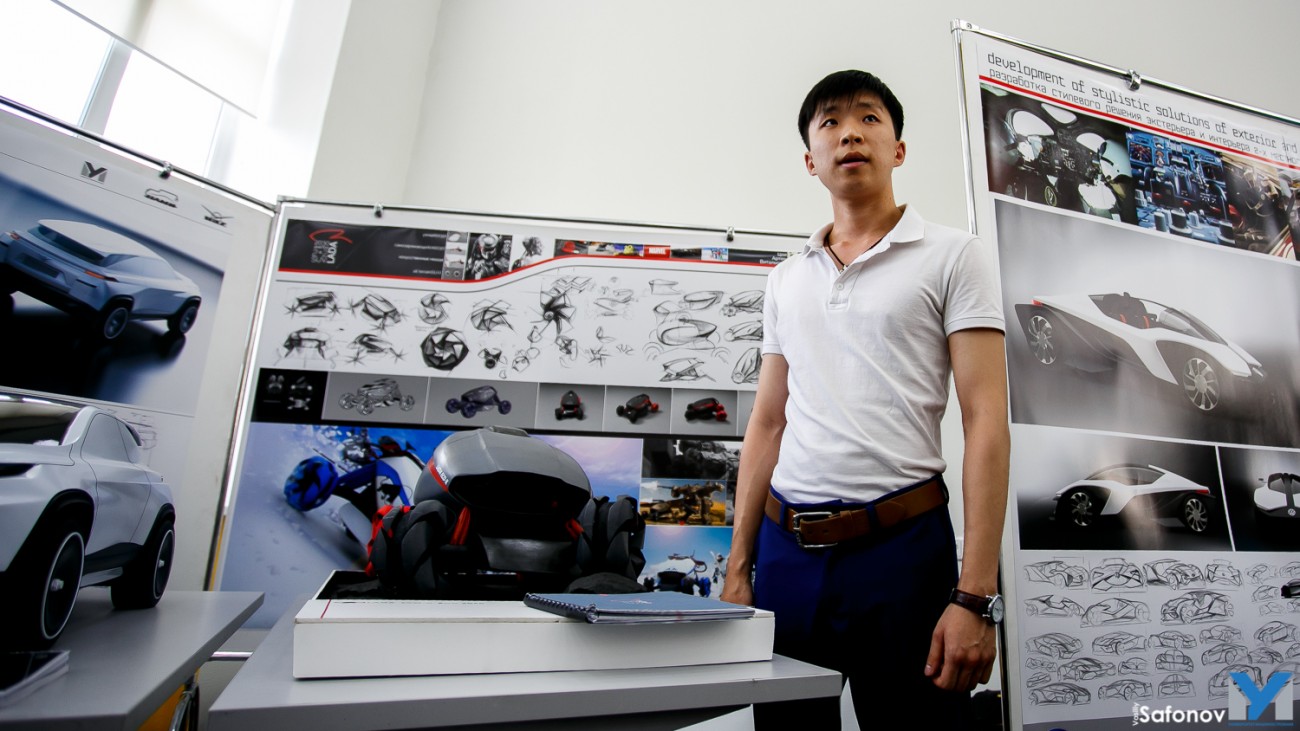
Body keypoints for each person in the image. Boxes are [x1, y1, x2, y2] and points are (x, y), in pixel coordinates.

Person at [719, 70, 1010, 729]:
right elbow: (768, 421)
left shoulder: (954, 256)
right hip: (787, 553)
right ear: (811, 160)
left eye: (869, 118)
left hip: (902, 549)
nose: (850, 132)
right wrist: (739, 568)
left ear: (898, 149)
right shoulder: (786, 279)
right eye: (830, 122)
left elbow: (986, 420)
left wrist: (975, 594)